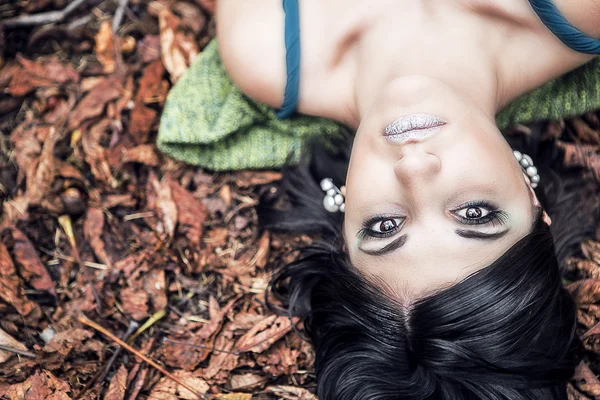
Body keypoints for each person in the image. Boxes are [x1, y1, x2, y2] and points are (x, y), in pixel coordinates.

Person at [215, 1, 600, 398]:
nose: (414, 169)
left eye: (385, 226)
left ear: (345, 227)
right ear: (532, 198)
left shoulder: (263, 49)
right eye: (474, 214)